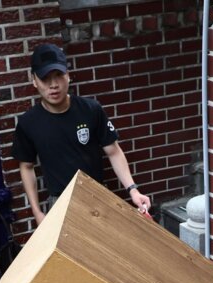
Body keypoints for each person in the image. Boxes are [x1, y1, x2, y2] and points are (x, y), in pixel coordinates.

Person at [13, 43, 152, 225]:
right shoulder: (28, 122)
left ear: (68, 76)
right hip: (60, 204)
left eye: (58, 76)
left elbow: (114, 151)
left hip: (98, 198)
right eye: (45, 78)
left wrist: (133, 190)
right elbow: (26, 166)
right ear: (34, 80)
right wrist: (37, 212)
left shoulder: (90, 109)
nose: (53, 85)